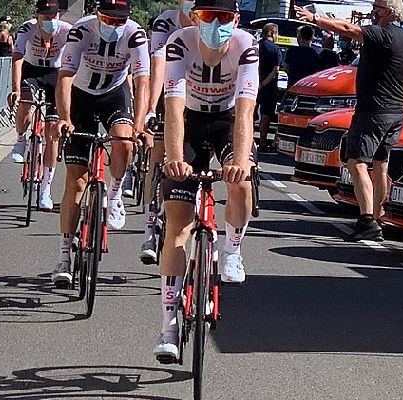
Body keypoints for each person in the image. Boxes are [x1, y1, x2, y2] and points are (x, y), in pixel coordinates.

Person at [153, 0, 259, 362]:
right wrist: (174, 159)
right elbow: (173, 105)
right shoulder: (180, 43)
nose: (215, 23)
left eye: (223, 17)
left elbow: (246, 110)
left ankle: (232, 249)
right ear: (195, 18)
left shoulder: (246, 45)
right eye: (207, 16)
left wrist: (241, 161)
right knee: (178, 227)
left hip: (228, 120)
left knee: (241, 183)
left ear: (236, 20)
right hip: (191, 122)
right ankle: (168, 324)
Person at [49, 0, 152, 286]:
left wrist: (140, 125)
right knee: (76, 183)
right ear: (97, 15)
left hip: (113, 95)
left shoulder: (135, 34)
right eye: (108, 20)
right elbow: (65, 76)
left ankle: (116, 194)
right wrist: (64, 118)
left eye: (120, 21)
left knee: (124, 141)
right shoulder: (81, 31)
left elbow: (143, 81)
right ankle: (64, 255)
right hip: (80, 97)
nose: (114, 26)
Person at [296, 0, 403, 241]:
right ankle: (379, 215)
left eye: (377, 8)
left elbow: (349, 29)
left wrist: (315, 19)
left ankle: (367, 219)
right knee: (381, 163)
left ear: (388, 12)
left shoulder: (382, 34)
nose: (373, 13)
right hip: (396, 112)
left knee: (357, 162)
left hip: (373, 110)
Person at [138, 0, 197, 264]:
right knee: (159, 154)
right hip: (168, 92)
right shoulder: (166, 22)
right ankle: (150, 225)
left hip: (198, 98)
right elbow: (158, 62)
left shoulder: (211, 23)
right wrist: (152, 107)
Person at [5, 0, 71, 209]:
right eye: (46, 17)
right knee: (25, 101)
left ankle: (46, 189)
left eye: (53, 16)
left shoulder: (67, 31)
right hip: (32, 70)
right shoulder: (27, 27)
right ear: (37, 16)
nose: (50, 21)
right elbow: (17, 57)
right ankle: (20, 139)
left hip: (55, 73)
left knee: (53, 132)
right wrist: (15, 88)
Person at [255, 23, 283, 146]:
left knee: (250, 113)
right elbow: (275, 70)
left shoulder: (256, 46)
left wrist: (258, 83)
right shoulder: (275, 49)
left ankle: (249, 142)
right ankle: (262, 141)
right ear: (272, 33)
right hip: (269, 87)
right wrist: (263, 84)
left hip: (252, 84)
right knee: (265, 115)